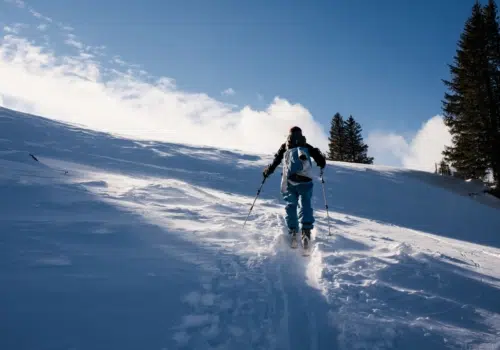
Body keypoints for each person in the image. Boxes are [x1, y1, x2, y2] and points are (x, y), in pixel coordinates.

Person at [262, 126, 326, 248]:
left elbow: (276, 162)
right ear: (301, 134)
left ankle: (293, 232)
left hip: (289, 181)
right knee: (305, 203)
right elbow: (320, 160)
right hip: (306, 180)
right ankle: (306, 232)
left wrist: (267, 172)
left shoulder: (285, 146)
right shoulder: (306, 145)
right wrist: (321, 163)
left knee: (291, 205)